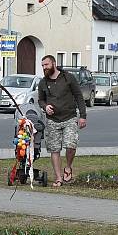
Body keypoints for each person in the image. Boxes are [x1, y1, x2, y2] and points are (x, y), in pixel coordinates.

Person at [37, 55, 87, 187]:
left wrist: (83, 116)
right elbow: (40, 100)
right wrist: (45, 107)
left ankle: (68, 167)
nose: (44, 68)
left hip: (69, 117)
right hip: (52, 120)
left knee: (71, 145)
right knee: (54, 150)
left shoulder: (68, 78)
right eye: (42, 66)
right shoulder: (43, 82)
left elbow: (78, 96)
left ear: (53, 63)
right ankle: (58, 178)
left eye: (46, 65)